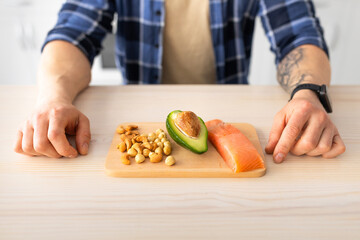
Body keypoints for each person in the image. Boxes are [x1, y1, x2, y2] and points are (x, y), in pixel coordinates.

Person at [13, 0, 346, 163]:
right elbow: (72, 33)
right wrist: (54, 97)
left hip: (226, 115)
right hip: (141, 117)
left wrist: (308, 94)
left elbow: (298, 34)